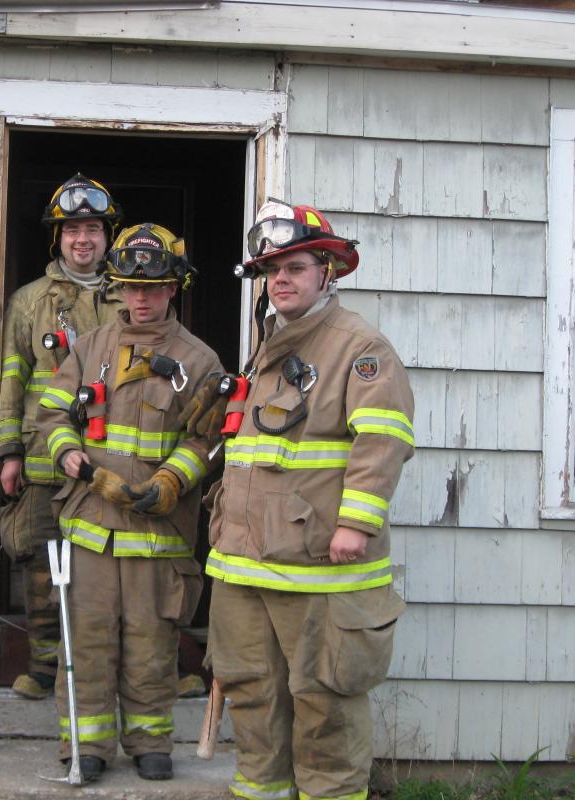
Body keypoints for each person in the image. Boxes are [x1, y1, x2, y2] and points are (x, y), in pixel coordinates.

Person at [186, 200, 415, 800]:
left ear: (326, 272)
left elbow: (383, 440)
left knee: (323, 709)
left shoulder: (359, 349)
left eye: (294, 267)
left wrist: (356, 526)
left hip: (320, 571)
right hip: (244, 566)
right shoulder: (270, 348)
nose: (279, 280)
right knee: (253, 697)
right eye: (271, 270)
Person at [35, 223, 223, 782]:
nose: (141, 298)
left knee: (150, 640)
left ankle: (149, 742)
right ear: (117, 287)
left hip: (157, 532)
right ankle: (86, 748)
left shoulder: (200, 360)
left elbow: (208, 441)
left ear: (174, 288)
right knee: (88, 638)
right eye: (130, 288)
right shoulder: (89, 350)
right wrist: (67, 451)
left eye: (154, 287)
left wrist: (171, 481)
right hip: (90, 525)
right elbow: (51, 412)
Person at [0, 173, 125, 700]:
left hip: (110, 453)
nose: (83, 240)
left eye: (93, 229)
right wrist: (8, 452)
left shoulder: (131, 296)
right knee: (43, 560)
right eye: (72, 230)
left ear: (106, 236)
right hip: (43, 452)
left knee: (108, 561)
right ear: (58, 238)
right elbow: (12, 378)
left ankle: (106, 667)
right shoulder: (30, 301)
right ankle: (45, 664)